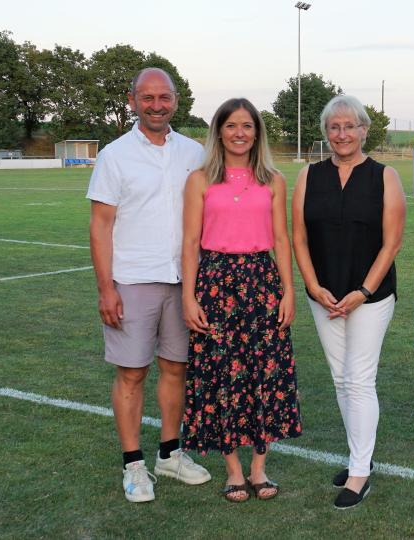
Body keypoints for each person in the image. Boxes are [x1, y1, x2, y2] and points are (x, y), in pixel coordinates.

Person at [87, 67, 212, 503]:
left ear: (176, 100)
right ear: (133, 99)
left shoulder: (194, 152)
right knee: (132, 373)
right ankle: (134, 465)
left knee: (176, 369)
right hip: (133, 280)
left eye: (165, 97)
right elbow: (100, 227)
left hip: (184, 282)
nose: (156, 105)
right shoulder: (115, 155)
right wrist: (107, 288)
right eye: (148, 97)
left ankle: (170, 455)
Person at [180, 97, 302, 503]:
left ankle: (258, 469)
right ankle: (233, 469)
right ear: (218, 131)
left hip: (261, 283)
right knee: (221, 378)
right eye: (231, 125)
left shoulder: (273, 180)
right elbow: (190, 242)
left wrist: (288, 292)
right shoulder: (200, 180)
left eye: (247, 126)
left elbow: (282, 240)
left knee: (264, 374)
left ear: (257, 132)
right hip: (214, 285)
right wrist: (187, 296)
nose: (239, 133)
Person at [292, 94, 406, 509]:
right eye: (334, 127)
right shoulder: (309, 175)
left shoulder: (384, 176)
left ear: (363, 130)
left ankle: (359, 472)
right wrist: (313, 286)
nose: (342, 134)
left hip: (370, 298)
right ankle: (360, 454)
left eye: (349, 126)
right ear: (326, 133)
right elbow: (299, 237)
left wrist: (363, 292)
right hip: (322, 297)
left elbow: (392, 242)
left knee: (359, 379)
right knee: (341, 380)